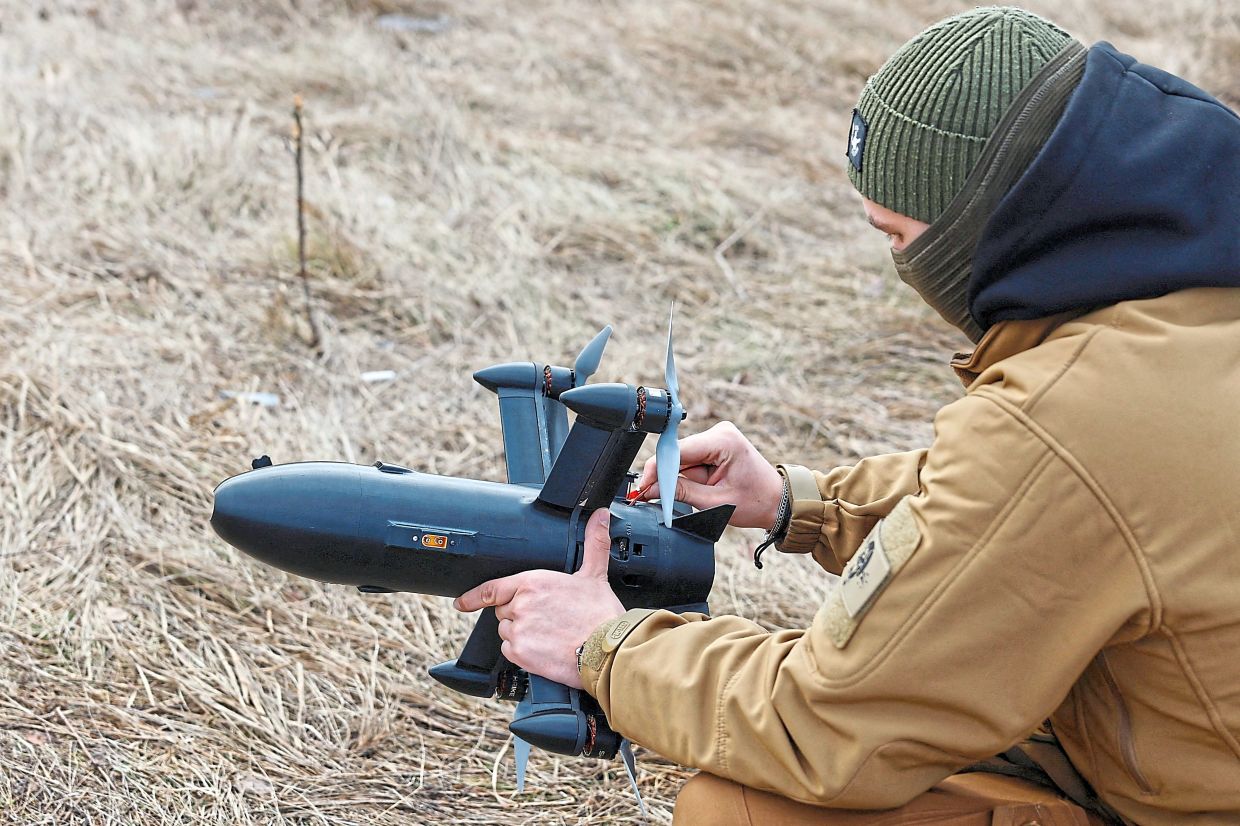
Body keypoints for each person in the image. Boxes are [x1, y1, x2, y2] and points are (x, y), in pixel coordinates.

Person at [454, 6, 1240, 823]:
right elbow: (1072, 511)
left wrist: (602, 646)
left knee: (744, 813)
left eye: (897, 233)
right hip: (1177, 748)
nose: (898, 261)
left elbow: (825, 725)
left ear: (989, 220)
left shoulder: (1071, 417)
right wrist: (803, 503)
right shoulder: (1189, 301)